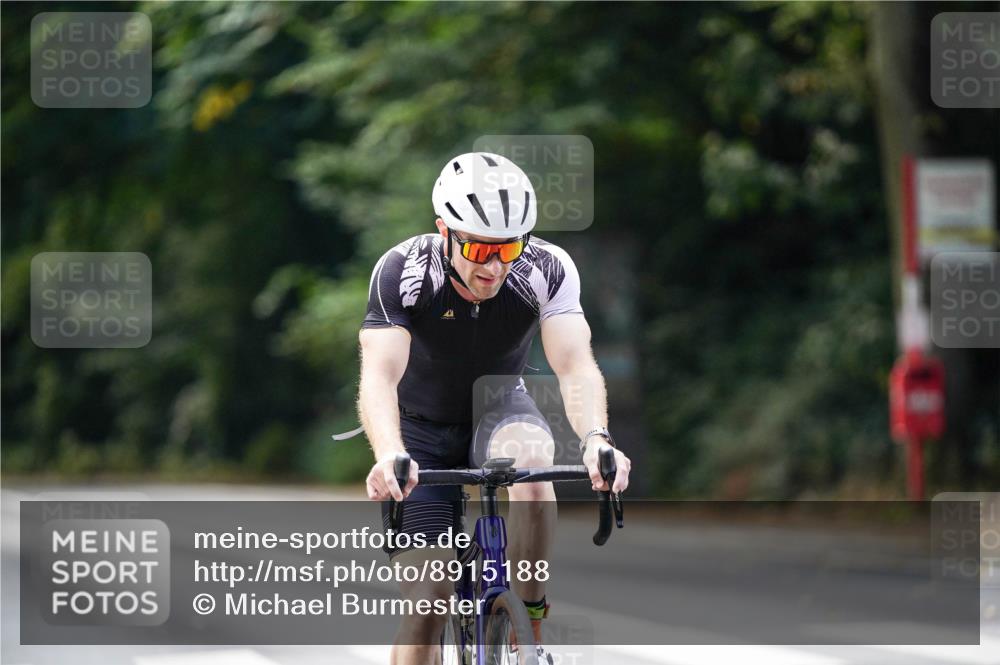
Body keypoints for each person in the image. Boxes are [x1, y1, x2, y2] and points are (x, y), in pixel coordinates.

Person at [358, 151, 631, 664]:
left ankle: (528, 629)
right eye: (480, 248)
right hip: (417, 432)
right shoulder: (403, 270)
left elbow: (574, 364)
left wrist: (597, 438)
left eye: (508, 246)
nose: (495, 264)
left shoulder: (546, 267)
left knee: (532, 465)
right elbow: (379, 375)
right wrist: (389, 451)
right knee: (427, 606)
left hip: (500, 407)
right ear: (445, 231)